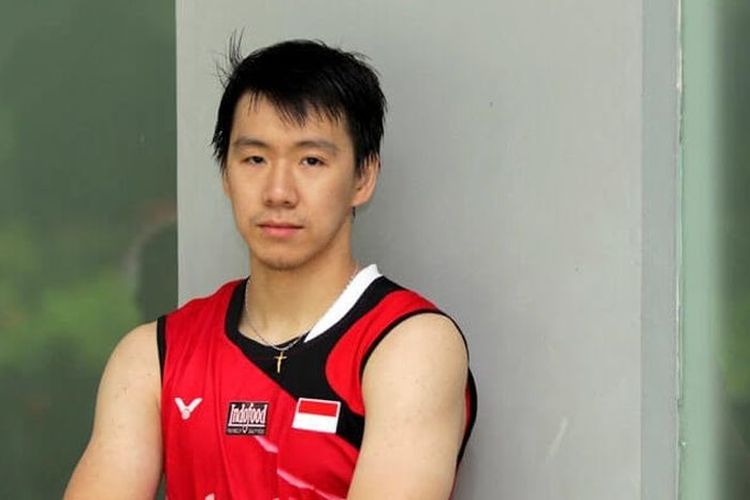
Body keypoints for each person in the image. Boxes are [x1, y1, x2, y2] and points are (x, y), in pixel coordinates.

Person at [65, 39, 476, 499]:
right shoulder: (154, 355)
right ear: (226, 174)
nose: (279, 192)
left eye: (311, 161)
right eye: (255, 159)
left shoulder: (407, 344)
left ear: (363, 177)